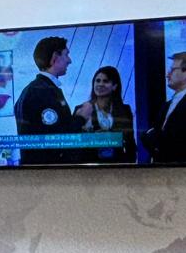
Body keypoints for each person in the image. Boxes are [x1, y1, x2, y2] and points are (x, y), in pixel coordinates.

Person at [13, 36, 90, 165]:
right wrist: (81, 118)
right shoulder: (42, 92)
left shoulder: (35, 89)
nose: (69, 60)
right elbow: (57, 140)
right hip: (48, 172)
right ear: (55, 57)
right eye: (66, 54)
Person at [143, 51, 186, 164]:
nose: (167, 74)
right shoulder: (168, 104)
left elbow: (183, 142)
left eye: (173, 69)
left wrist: (151, 138)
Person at [73, 65, 135, 163]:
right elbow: (74, 141)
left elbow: (130, 143)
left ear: (114, 86)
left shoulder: (125, 110)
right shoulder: (82, 109)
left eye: (105, 81)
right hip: (89, 164)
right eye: (97, 81)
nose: (100, 84)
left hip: (117, 164)